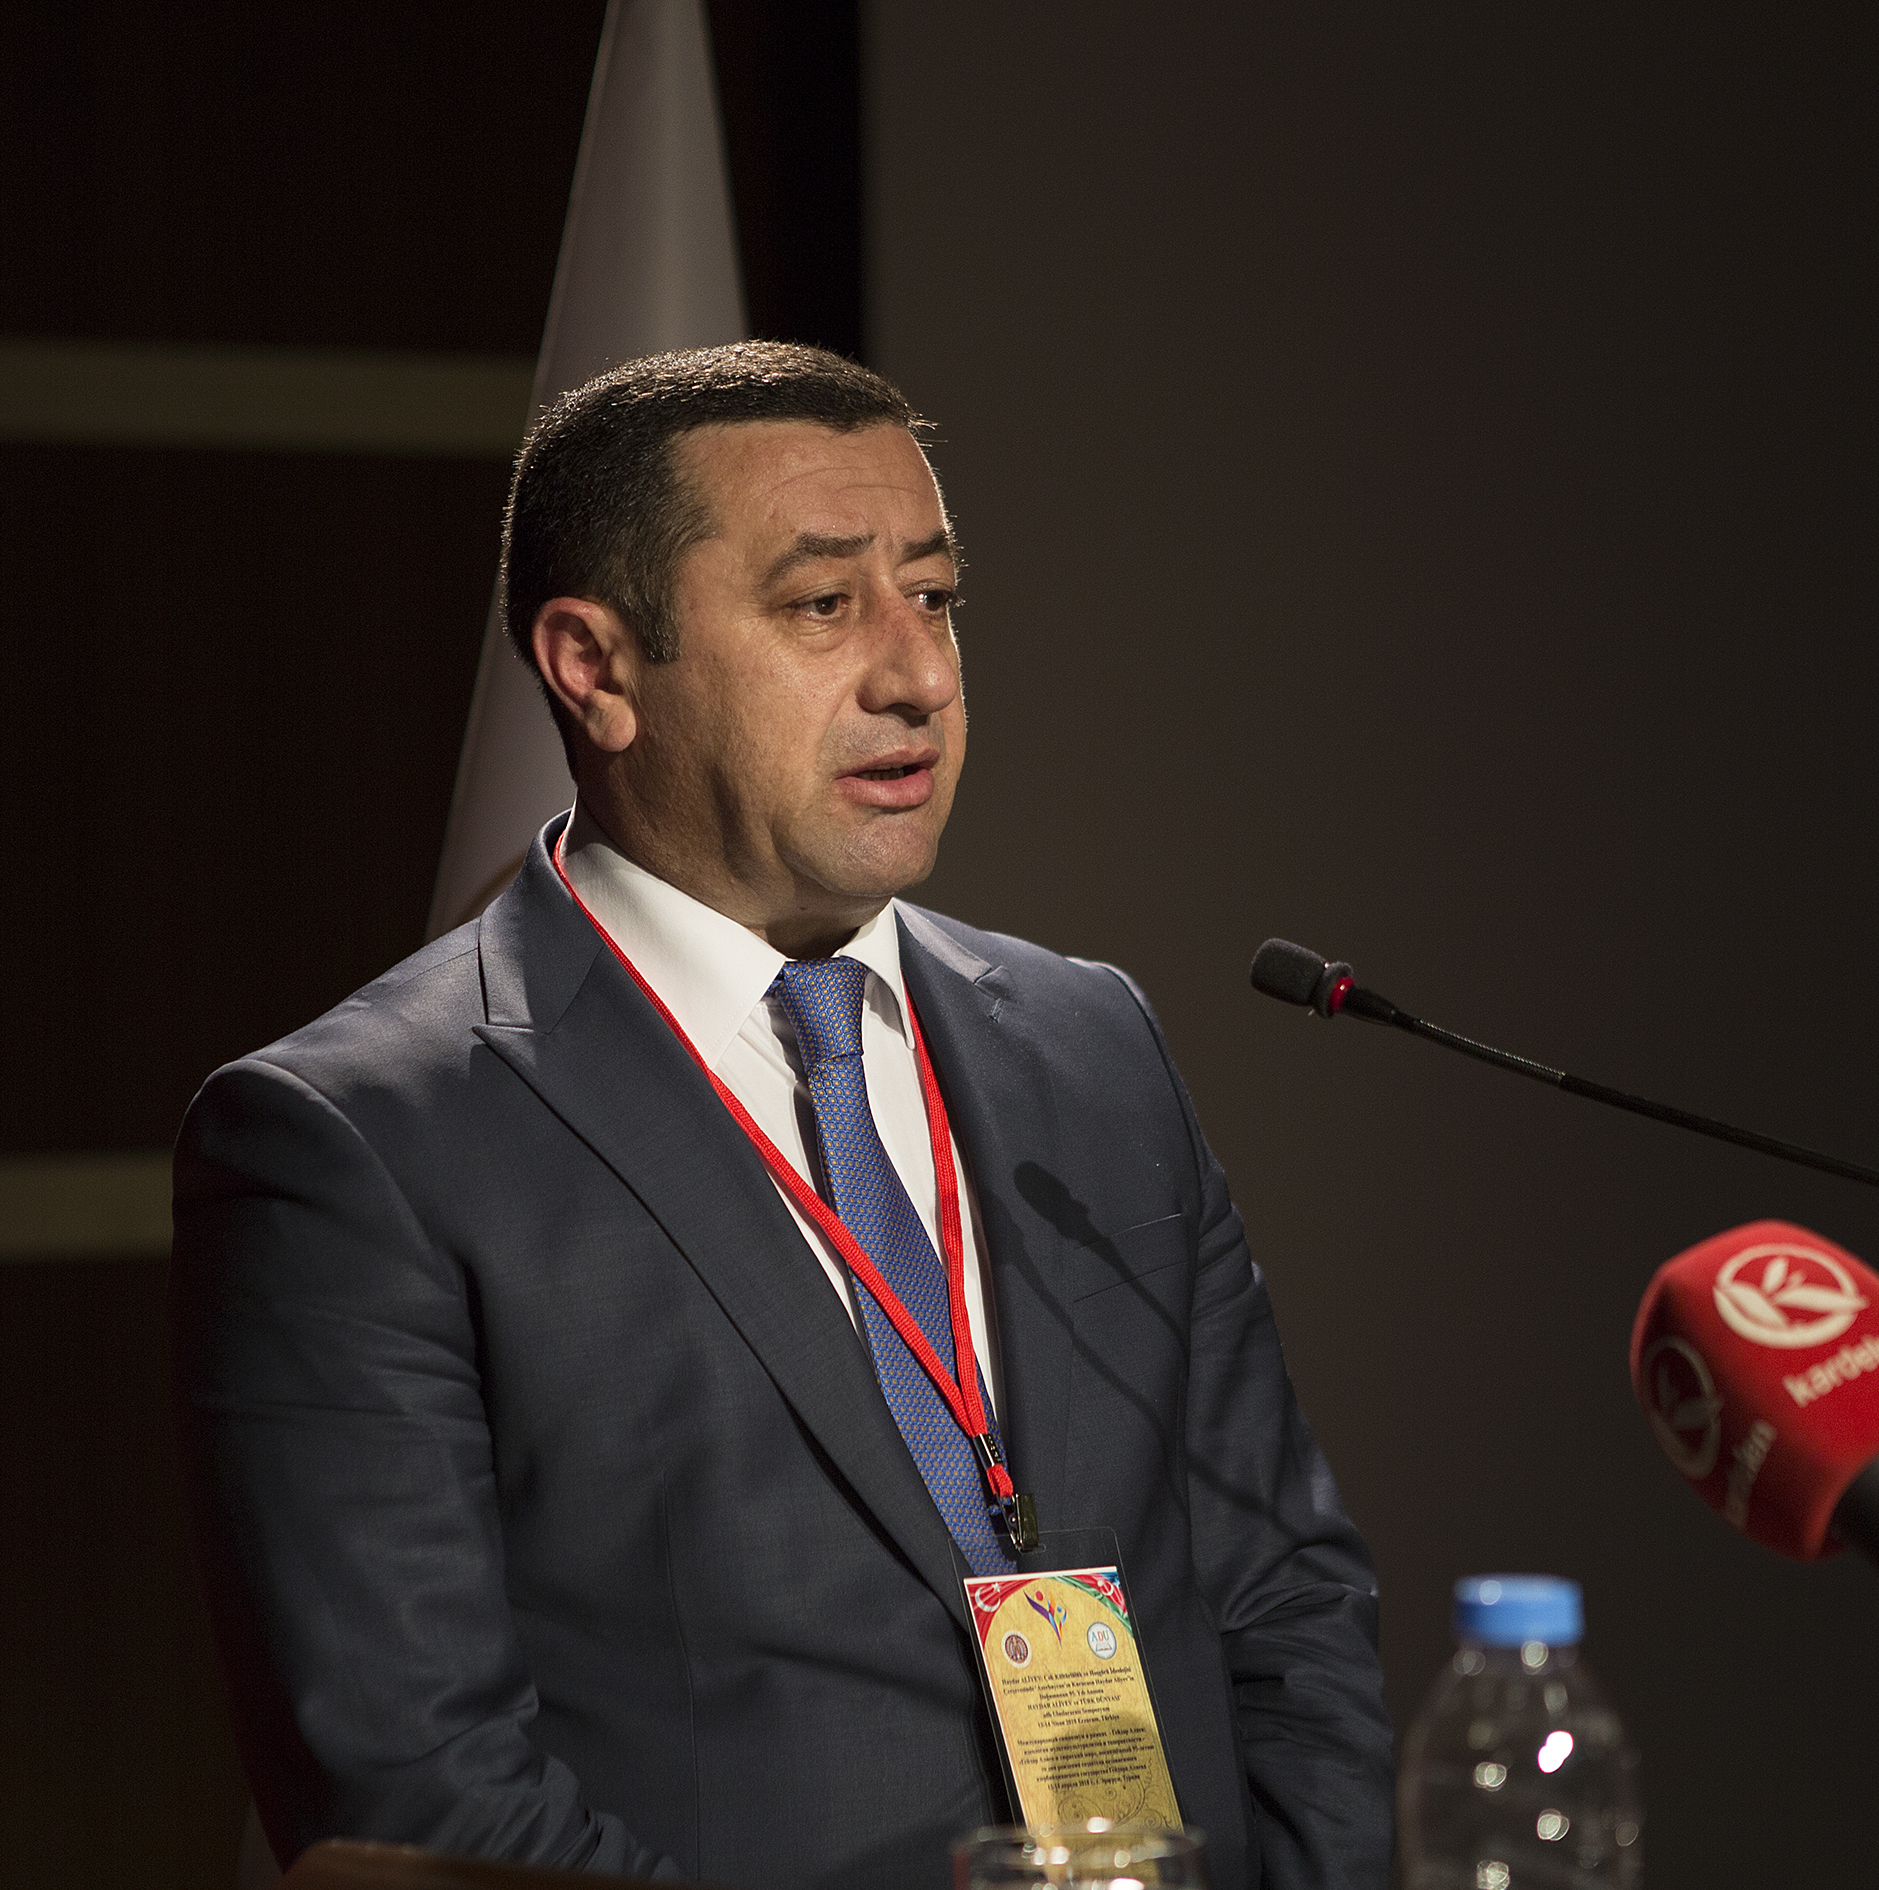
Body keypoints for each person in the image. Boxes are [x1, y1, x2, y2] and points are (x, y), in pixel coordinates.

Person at [173, 342, 1393, 1890]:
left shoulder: (1094, 1045)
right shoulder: (356, 1146)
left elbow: (1286, 1597)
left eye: (934, 596)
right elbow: (425, 1797)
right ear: (596, 666)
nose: (918, 674)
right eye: (823, 605)